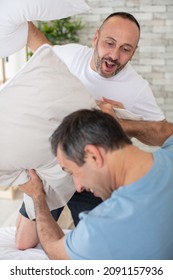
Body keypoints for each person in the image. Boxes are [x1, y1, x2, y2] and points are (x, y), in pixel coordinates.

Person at [16, 12, 173, 250]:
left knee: (103, 244)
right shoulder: (69, 56)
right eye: (109, 43)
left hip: (95, 176)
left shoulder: (137, 89)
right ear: (95, 37)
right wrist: (13, 14)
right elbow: (39, 44)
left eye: (125, 49)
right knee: (23, 242)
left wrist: (121, 124)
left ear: (134, 52)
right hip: (54, 167)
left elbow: (165, 133)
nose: (114, 55)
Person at [19, 109, 173, 259]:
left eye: (73, 172)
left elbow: (55, 251)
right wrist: (122, 125)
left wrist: (37, 196)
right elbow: (167, 131)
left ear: (93, 155)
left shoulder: (103, 227)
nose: (78, 186)